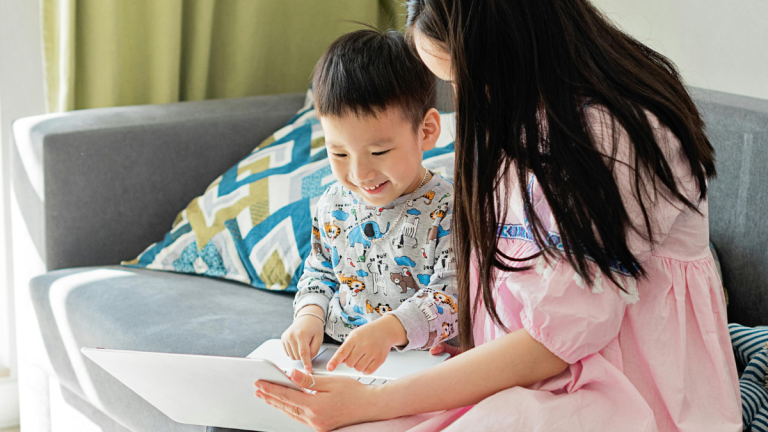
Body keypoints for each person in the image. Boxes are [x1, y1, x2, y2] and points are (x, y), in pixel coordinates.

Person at [255, 1, 742, 431]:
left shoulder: (609, 136)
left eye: (462, 81)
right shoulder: (526, 114)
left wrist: (377, 402)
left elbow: (556, 338)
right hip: (530, 363)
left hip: (616, 381)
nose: (463, 102)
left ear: (508, 50)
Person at [282, 28, 458, 376]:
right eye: (339, 153)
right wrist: (308, 317)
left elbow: (454, 294)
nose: (360, 173)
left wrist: (389, 330)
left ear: (426, 131)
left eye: (379, 151)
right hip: (338, 354)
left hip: (416, 362)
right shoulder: (333, 202)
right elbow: (319, 273)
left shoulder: (448, 207)